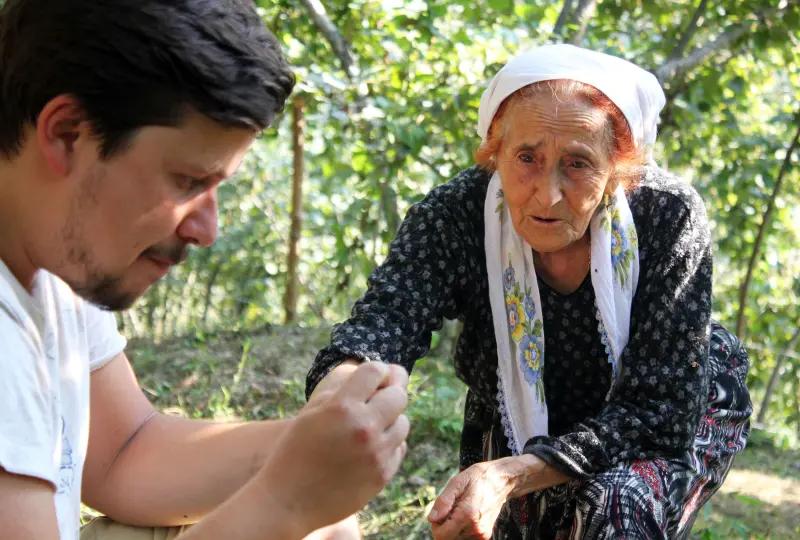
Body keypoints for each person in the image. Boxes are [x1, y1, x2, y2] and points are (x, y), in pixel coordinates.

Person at [306, 44, 752, 539]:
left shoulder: (666, 215)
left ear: (617, 170)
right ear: (494, 152)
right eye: (527, 158)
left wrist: (512, 473)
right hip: (516, 398)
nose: (549, 193)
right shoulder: (456, 214)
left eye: (578, 163)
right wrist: (337, 402)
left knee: (616, 506)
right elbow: (384, 323)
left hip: (665, 406)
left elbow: (660, 411)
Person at [0, 1, 410, 539]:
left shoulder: (53, 259)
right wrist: (284, 500)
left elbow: (124, 452)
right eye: (189, 181)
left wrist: (314, 445)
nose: (206, 230)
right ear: (68, 132)